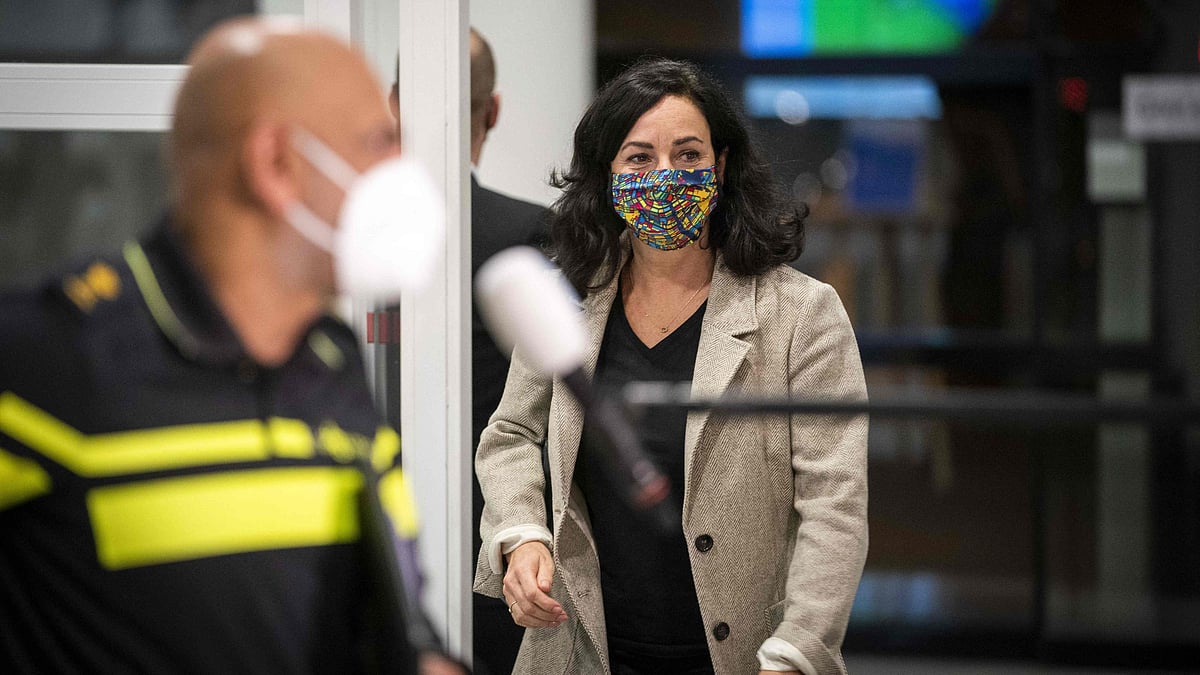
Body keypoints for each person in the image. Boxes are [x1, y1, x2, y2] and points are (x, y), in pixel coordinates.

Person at [0, 18, 459, 674]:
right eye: (378, 142)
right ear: (275, 165)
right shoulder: (46, 358)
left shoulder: (334, 363)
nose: (404, 175)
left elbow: (391, 614)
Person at [473, 58, 868, 675]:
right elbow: (512, 435)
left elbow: (834, 507)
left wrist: (798, 651)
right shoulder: (567, 300)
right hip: (581, 652)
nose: (665, 177)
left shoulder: (803, 314)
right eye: (639, 158)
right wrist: (520, 533)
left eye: (688, 155)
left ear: (723, 164)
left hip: (748, 658)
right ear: (607, 173)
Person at [466, 26, 551, 675]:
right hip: (498, 538)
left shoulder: (342, 233)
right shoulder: (529, 234)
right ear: (493, 110)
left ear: (392, 103)